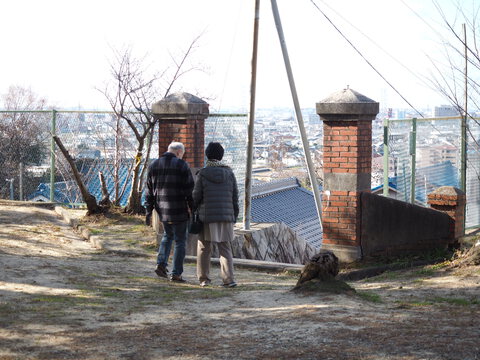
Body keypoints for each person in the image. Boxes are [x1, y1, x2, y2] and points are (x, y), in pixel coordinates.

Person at [145, 141, 194, 282]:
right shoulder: (182, 165)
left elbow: (148, 191)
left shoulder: (154, 165)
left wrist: (149, 210)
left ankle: (161, 264)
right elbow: (189, 190)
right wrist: (192, 207)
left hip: (162, 210)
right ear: (179, 152)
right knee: (180, 241)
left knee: (168, 235)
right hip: (179, 209)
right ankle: (176, 273)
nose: (182, 157)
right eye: (182, 154)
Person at [192, 142, 239, 288]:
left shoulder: (203, 174)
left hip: (207, 217)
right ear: (221, 156)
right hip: (226, 216)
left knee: (204, 248)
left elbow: (196, 196)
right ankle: (229, 279)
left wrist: (194, 210)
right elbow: (235, 198)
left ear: (207, 155)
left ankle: (204, 279)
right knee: (225, 248)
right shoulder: (230, 173)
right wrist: (233, 216)